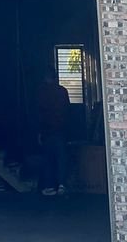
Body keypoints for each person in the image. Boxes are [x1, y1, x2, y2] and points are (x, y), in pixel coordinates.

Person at [37, 68, 70, 196]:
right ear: (55, 77)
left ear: (45, 77)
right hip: (61, 129)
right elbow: (67, 110)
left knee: (48, 159)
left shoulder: (42, 92)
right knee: (61, 157)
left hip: (47, 130)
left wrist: (39, 131)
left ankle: (49, 186)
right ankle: (62, 184)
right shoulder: (62, 91)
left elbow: (40, 113)